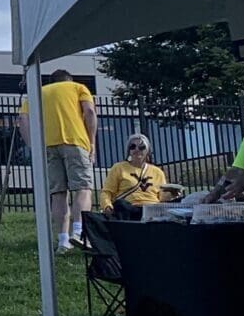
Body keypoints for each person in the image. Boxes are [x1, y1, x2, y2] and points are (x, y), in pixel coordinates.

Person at [26, 70, 97, 253]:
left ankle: (63, 240)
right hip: (75, 142)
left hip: (48, 145)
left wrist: (34, 146)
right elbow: (89, 112)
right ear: (69, 80)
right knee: (83, 188)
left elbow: (23, 120)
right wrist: (92, 142)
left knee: (58, 194)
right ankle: (79, 232)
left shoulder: (36, 93)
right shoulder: (79, 88)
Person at [99, 134, 169, 215]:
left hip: (152, 209)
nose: (137, 149)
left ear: (147, 151)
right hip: (128, 209)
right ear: (129, 151)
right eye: (133, 147)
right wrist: (107, 206)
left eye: (141, 147)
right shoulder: (119, 168)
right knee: (120, 204)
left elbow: (163, 197)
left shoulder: (158, 172)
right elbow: (107, 192)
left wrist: (172, 194)